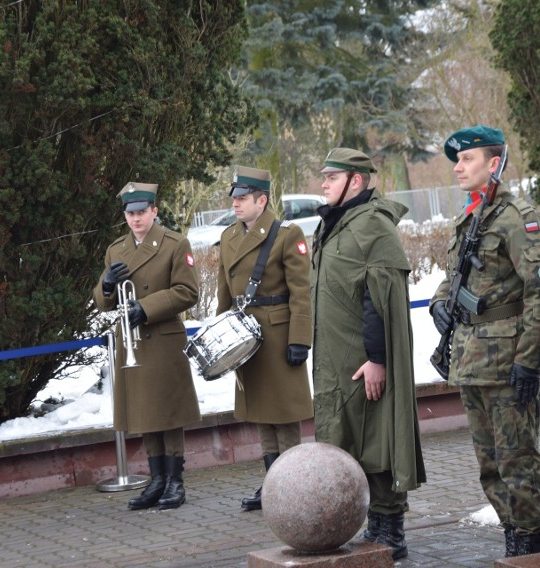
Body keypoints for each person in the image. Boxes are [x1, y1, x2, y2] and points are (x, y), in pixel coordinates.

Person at [429, 125, 540, 557]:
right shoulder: (471, 218)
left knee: (517, 459)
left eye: (467, 159)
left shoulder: (518, 219)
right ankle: (512, 535)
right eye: (457, 160)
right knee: (489, 464)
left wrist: (530, 361)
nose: (458, 166)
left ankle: (529, 544)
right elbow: (454, 281)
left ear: (494, 163)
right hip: (472, 362)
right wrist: (439, 306)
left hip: (508, 362)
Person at [309, 148, 426, 560]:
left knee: (377, 439)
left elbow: (379, 301)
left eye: (331, 177)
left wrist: (378, 359)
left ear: (354, 181)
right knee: (351, 439)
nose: (323, 183)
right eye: (323, 177)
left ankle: (390, 529)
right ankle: (374, 525)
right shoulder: (336, 224)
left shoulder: (373, 226)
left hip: (363, 361)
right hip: (335, 360)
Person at [93, 182, 201, 511]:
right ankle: (156, 481)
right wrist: (107, 284)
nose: (136, 219)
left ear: (154, 211)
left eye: (142, 212)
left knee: (169, 413)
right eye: (130, 213)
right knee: (144, 411)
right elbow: (102, 302)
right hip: (132, 341)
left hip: (163, 337)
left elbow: (188, 291)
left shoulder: (174, 243)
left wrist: (147, 307)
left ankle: (175, 482)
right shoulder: (116, 250)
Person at [214, 166, 314, 511]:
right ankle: (273, 483)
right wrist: (221, 338)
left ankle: (295, 484)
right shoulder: (228, 237)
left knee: (284, 414)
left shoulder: (286, 234)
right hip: (245, 335)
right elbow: (223, 292)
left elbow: (302, 291)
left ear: (262, 199)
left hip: (278, 332)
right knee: (261, 412)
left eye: (243, 199)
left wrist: (300, 338)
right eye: (235, 199)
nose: (236, 205)